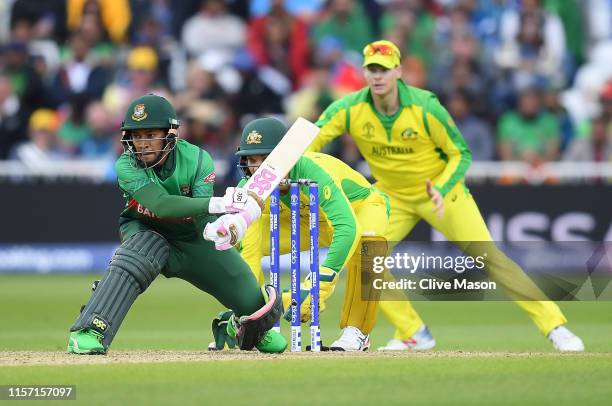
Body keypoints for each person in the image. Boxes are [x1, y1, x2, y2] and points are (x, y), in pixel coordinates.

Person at [310, 40, 584, 352]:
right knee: (364, 256)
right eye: (372, 69)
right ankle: (412, 331)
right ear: (364, 72)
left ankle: (555, 327)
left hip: (440, 192)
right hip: (391, 194)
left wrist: (440, 188)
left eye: (385, 69)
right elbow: (310, 142)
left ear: (398, 71)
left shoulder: (425, 107)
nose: (378, 76)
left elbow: (460, 154)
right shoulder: (349, 109)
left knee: (490, 258)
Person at [67, 94, 286, 354]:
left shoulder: (197, 160)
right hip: (146, 229)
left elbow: (199, 216)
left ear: (170, 135)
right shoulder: (126, 165)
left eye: (150, 135)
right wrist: (220, 204)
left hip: (193, 236)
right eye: (137, 136)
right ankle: (90, 331)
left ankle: (238, 326)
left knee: (252, 301)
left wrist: (221, 227)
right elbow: (160, 204)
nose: (143, 144)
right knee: (142, 251)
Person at [234, 117, 389, 351]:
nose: (258, 169)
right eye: (251, 160)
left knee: (368, 243)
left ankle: (357, 331)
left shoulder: (312, 171)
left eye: (265, 159)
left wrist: (317, 286)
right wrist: (248, 312)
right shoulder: (250, 188)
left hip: (360, 209)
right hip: (307, 221)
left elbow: (348, 227)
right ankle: (255, 323)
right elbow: (251, 253)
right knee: (243, 241)